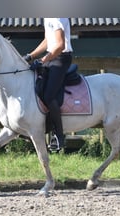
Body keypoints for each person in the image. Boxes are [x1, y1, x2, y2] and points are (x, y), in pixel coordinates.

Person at [24, 18, 73, 151]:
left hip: (61, 58)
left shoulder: (58, 17)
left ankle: (59, 136)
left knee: (48, 95)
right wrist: (31, 56)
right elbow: (48, 41)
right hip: (51, 56)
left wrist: (43, 60)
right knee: (36, 88)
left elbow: (61, 45)